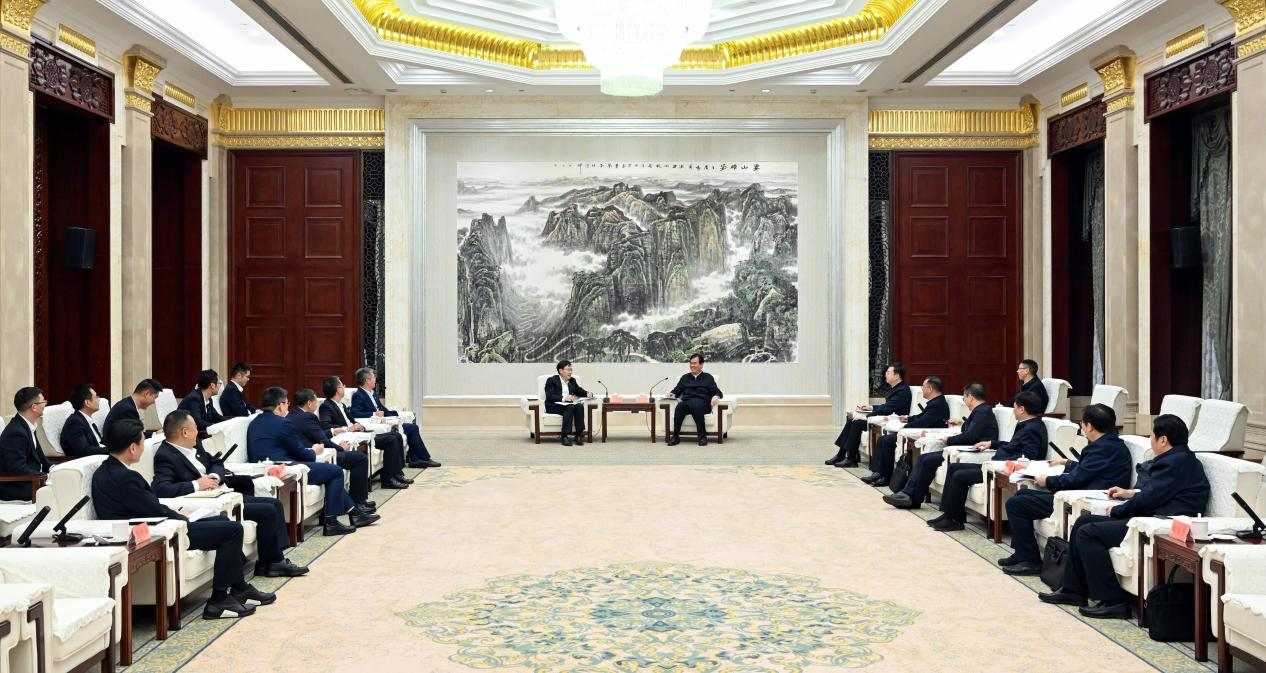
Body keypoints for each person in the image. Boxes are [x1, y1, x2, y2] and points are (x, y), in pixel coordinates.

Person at [94, 418, 275, 619]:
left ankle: (239, 588)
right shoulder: (125, 477)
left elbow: (147, 505)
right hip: (155, 532)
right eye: (142, 443)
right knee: (232, 531)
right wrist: (179, 516)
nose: (144, 448)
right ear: (133, 447)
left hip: (156, 523)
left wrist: (177, 513)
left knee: (224, 523)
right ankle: (218, 600)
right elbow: (152, 508)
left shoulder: (108, 470)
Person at [1039, 415, 1209, 618]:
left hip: (1160, 522)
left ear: (1163, 440)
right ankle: (1073, 590)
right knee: (1083, 522)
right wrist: (1130, 493)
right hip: (1153, 516)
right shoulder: (1180, 459)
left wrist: (1117, 510)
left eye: (1152, 436)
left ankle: (1113, 601)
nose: (1151, 440)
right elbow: (1157, 492)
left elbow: (1149, 499)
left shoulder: (1173, 463)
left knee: (1088, 533)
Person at [151, 410, 308, 578]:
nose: (198, 432)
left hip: (224, 494)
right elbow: (161, 488)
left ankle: (271, 561)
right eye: (195, 428)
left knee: (274, 504)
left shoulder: (194, 446)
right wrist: (197, 484)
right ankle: (273, 562)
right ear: (185, 432)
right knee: (267, 510)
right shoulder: (166, 455)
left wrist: (214, 477)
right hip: (209, 504)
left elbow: (216, 462)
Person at [1000, 403, 1133, 576]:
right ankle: (1022, 553)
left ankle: (1030, 560)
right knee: (1022, 494)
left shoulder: (1100, 448)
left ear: (1089, 426)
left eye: (1083, 424)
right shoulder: (1111, 444)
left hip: (1082, 498)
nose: (1082, 427)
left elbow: (1076, 479)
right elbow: (1091, 470)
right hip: (1080, 493)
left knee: (1016, 504)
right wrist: (1067, 463)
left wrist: (1047, 481)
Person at [246, 387, 379, 536]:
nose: (288, 407)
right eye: (287, 403)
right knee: (335, 471)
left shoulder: (254, 423)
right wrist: (314, 451)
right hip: (286, 468)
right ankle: (331, 522)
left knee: (328, 473)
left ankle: (354, 513)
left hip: (261, 469)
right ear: (280, 405)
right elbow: (300, 452)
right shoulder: (283, 423)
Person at [928, 391, 1048, 532]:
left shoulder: (1032, 429)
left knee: (959, 476)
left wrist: (1002, 463)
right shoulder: (1027, 424)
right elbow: (1014, 445)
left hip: (1001, 468)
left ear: (1022, 409)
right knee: (954, 467)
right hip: (995, 464)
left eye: (1015, 407)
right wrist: (991, 443)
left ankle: (954, 520)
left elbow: (1028, 457)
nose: (1013, 410)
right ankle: (949, 514)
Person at [883, 382, 997, 509]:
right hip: (963, 448)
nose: (964, 401)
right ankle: (909, 495)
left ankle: (911, 497)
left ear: (970, 397)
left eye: (964, 397)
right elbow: (972, 431)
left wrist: (949, 440)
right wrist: (960, 424)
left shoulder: (983, 412)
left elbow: (971, 436)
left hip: (970, 452)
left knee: (927, 460)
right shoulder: (981, 411)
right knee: (924, 458)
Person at [288, 388, 374, 511]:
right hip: (315, 456)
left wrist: (333, 431)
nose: (317, 403)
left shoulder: (292, 415)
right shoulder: (308, 417)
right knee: (359, 458)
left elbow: (315, 433)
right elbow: (323, 440)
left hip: (306, 454)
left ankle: (355, 504)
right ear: (309, 403)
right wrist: (341, 448)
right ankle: (358, 501)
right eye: (315, 400)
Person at [319, 376, 411, 490]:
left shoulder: (341, 405)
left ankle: (397, 474)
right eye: (342, 385)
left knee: (396, 435)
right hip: (352, 437)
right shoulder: (326, 406)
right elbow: (326, 426)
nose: (344, 387)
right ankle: (387, 480)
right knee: (391, 440)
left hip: (360, 433)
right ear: (337, 390)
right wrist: (348, 428)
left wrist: (358, 425)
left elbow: (352, 420)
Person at [861, 377, 948, 485]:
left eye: (923, 387)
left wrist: (905, 427)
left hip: (926, 434)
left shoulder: (937, 404)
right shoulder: (935, 402)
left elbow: (923, 422)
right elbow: (921, 416)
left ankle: (886, 477)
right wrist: (908, 419)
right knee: (883, 439)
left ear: (930, 388)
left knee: (887, 441)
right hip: (919, 431)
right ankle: (878, 473)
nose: (922, 389)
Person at [350, 367, 440, 468]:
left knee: (412, 427)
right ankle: (421, 459)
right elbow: (355, 413)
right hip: (377, 426)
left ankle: (417, 459)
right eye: (374, 377)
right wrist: (374, 414)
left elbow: (383, 410)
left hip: (386, 422)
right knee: (411, 428)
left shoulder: (373, 394)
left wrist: (397, 414)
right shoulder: (358, 395)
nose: (375, 379)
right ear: (367, 380)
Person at [827, 363, 910, 467]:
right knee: (851, 421)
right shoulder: (896, 388)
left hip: (893, 420)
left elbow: (887, 408)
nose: (885, 374)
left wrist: (865, 416)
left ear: (897, 376)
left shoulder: (902, 391)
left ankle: (851, 459)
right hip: (885, 417)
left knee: (857, 423)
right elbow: (887, 406)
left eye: (888, 373)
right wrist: (870, 407)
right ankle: (841, 455)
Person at [0, 387, 52, 500]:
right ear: (34, 407)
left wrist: (54, 469)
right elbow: (17, 469)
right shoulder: (16, 432)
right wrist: (45, 476)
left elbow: (41, 459)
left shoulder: (27, 426)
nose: (45, 404)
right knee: (61, 489)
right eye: (43, 401)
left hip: (33, 479)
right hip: (17, 486)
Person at [665, 353, 724, 447]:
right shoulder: (684, 378)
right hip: (687, 402)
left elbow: (718, 392)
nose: (692, 365)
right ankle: (675, 436)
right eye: (691, 363)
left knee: (696, 405)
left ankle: (702, 436)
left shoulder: (708, 377)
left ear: (701, 365)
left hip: (703, 403)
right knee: (680, 406)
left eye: (694, 363)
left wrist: (716, 396)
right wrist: (672, 393)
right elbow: (677, 390)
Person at [545, 360, 591, 446]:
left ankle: (578, 435)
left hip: (568, 405)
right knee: (570, 407)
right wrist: (564, 398)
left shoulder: (572, 380)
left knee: (579, 406)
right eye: (568, 370)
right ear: (561, 371)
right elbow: (549, 396)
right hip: (553, 405)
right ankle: (564, 436)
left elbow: (578, 390)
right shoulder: (552, 380)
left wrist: (587, 393)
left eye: (571, 370)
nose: (570, 372)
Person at [61, 383, 108, 457]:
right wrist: (111, 450)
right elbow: (84, 451)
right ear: (87, 403)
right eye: (96, 397)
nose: (99, 399)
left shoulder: (87, 419)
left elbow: (99, 443)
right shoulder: (74, 423)